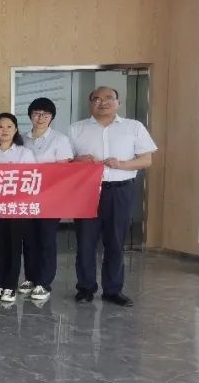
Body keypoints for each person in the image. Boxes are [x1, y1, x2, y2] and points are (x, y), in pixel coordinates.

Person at [71, 87, 157, 307]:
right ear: (90, 103)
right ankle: (85, 288)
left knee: (116, 242)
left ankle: (113, 290)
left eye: (109, 98)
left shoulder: (134, 127)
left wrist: (122, 164)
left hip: (120, 190)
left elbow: (146, 160)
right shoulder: (77, 129)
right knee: (85, 242)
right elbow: (66, 161)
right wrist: (79, 160)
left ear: (118, 102)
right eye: (97, 99)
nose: (103, 102)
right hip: (87, 192)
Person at [21, 97, 74, 301]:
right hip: (26, 198)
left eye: (45, 114)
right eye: (36, 113)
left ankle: (44, 282)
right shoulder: (22, 138)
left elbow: (63, 171)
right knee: (29, 239)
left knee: (46, 239)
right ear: (30, 116)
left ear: (51, 117)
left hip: (50, 198)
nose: (40, 117)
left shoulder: (60, 140)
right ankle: (30, 278)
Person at [0, 113, 36, 303]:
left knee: (13, 247)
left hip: (16, 208)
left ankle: (10, 286)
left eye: (9, 126)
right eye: (0, 127)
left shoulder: (24, 153)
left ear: (16, 130)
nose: (4, 130)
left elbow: (32, 180)